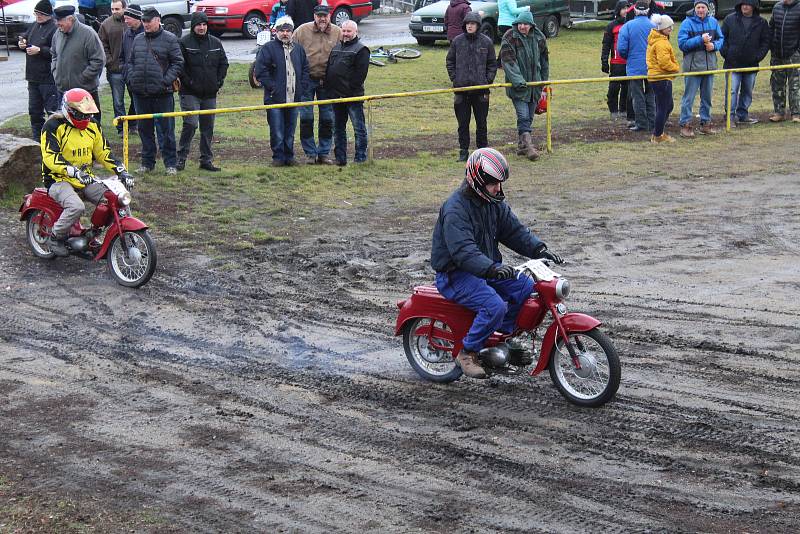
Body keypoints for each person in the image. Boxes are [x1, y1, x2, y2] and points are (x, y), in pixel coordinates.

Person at [429, 148, 563, 379]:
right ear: (478, 181)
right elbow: (463, 252)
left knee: (527, 290)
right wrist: (492, 268)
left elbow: (513, 231)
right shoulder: (455, 209)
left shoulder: (493, 203)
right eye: (493, 183)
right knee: (495, 306)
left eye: (500, 183)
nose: (498, 188)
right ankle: (467, 352)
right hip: (456, 274)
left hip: (485, 268)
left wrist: (539, 248)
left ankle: (503, 338)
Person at [41, 88, 133, 257]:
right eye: (81, 115)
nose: (86, 119)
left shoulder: (93, 126)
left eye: (88, 115)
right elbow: (50, 157)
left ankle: (94, 234)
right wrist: (73, 171)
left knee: (116, 198)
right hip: (58, 179)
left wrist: (121, 171)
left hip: (84, 177)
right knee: (77, 206)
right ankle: (55, 237)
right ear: (69, 111)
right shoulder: (53, 126)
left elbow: (103, 153)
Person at [127, 7, 183, 174]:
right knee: (144, 130)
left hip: (162, 94)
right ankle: (147, 163)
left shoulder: (170, 39)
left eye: (148, 21)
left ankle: (170, 164)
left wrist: (164, 81)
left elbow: (178, 63)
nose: (145, 24)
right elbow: (130, 62)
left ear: (158, 20)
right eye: (143, 21)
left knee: (166, 130)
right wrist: (131, 79)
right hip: (140, 93)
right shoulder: (137, 39)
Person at [254, 16, 311, 167]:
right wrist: (273, 87)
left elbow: (305, 69)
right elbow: (260, 71)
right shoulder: (268, 48)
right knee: (277, 130)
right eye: (282, 31)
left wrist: (302, 86)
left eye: (288, 31)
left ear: (292, 32)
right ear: (276, 32)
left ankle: (289, 156)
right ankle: (278, 157)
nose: (285, 33)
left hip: (294, 98)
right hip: (275, 98)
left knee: (290, 130)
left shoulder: (298, 49)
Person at [176, 11, 229, 172]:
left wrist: (218, 82)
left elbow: (224, 64)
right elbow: (180, 67)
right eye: (198, 24)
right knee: (191, 124)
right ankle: (181, 158)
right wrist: (189, 83)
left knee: (208, 127)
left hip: (210, 93)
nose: (202, 27)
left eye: (204, 24)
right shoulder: (184, 42)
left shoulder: (216, 43)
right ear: (193, 26)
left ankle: (206, 159)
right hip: (189, 93)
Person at [292, 2, 341, 165]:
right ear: (314, 16)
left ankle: (324, 153)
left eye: (325, 16)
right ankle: (310, 153)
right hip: (307, 80)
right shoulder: (301, 31)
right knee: (306, 117)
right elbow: (290, 51)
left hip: (328, 82)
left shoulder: (338, 32)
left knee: (328, 118)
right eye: (319, 16)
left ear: (330, 16)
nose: (322, 19)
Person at [446, 11, 497, 161]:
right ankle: (463, 152)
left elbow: (492, 64)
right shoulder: (457, 41)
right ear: (464, 25)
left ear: (478, 25)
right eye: (468, 23)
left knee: (481, 123)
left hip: (481, 91)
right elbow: (450, 61)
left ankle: (482, 152)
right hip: (461, 91)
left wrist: (487, 80)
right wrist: (455, 79)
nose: (470, 26)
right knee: (463, 124)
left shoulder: (487, 42)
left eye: (473, 24)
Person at [500, 10, 548, 161]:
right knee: (523, 116)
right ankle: (529, 147)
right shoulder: (509, 37)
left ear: (531, 25)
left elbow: (545, 62)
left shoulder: (539, 37)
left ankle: (521, 146)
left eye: (525, 24)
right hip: (518, 87)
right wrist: (518, 81)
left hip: (535, 85)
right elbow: (508, 61)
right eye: (520, 23)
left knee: (530, 117)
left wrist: (543, 83)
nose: (522, 27)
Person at [325, 19, 370, 166]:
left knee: (359, 128)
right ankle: (340, 158)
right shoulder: (336, 48)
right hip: (336, 98)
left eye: (349, 31)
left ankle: (360, 158)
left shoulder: (361, 50)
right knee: (337, 129)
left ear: (355, 32)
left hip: (353, 98)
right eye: (343, 30)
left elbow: (360, 75)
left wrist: (347, 92)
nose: (345, 34)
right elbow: (329, 71)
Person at [51, 5, 106, 122]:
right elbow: (54, 54)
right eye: (56, 20)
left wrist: (82, 78)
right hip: (63, 90)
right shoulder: (58, 33)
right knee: (65, 126)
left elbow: (98, 60)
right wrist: (55, 71)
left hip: (85, 92)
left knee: (90, 125)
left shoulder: (88, 34)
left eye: (60, 20)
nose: (57, 23)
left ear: (70, 19)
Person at [677, 0, 724, 138]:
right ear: (694, 8)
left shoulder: (713, 22)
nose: (700, 10)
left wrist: (714, 46)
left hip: (709, 67)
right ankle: (685, 125)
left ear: (707, 8)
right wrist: (700, 40)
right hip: (693, 68)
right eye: (698, 7)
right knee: (688, 98)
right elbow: (682, 44)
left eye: (703, 7)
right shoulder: (687, 23)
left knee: (707, 98)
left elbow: (721, 39)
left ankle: (706, 124)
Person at [720, 0, 770, 125]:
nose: (745, 6)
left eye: (748, 4)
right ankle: (729, 117)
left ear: (753, 6)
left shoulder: (762, 22)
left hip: (751, 64)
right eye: (743, 4)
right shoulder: (729, 19)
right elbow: (721, 37)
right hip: (732, 63)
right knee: (732, 90)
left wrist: (758, 56)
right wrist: (726, 53)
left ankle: (743, 114)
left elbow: (765, 42)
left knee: (747, 91)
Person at [19, 0, 58, 139]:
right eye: (36, 13)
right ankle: (37, 140)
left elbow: (56, 51)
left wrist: (40, 50)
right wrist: (22, 42)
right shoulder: (34, 25)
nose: (38, 16)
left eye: (41, 14)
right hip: (32, 77)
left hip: (48, 78)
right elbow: (25, 35)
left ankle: (53, 140)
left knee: (52, 112)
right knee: (34, 111)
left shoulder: (55, 28)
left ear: (48, 14)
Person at [618, 1, 655, 133]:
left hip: (634, 67)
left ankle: (641, 124)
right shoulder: (654, 26)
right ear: (648, 11)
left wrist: (629, 57)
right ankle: (652, 123)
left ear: (634, 11)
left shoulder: (627, 26)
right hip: (652, 67)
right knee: (651, 94)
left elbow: (621, 48)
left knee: (637, 95)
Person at [647, 14, 679, 143]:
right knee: (663, 107)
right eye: (669, 27)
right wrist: (676, 67)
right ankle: (658, 135)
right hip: (661, 78)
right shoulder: (661, 43)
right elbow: (664, 63)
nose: (671, 29)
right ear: (663, 28)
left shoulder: (658, 40)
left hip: (659, 77)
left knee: (667, 106)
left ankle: (658, 132)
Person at [98, 0, 129, 134]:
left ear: (124, 8)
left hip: (132, 69)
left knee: (137, 98)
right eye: (112, 9)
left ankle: (133, 123)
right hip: (115, 70)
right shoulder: (106, 24)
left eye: (117, 9)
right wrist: (110, 61)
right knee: (118, 101)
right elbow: (101, 45)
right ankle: (121, 128)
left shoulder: (131, 22)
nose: (115, 12)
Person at [767, 0, 800, 122]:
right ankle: (779, 112)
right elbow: (771, 28)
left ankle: (796, 114)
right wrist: (771, 46)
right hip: (777, 55)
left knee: (795, 86)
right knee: (777, 85)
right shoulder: (777, 7)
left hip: (794, 54)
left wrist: (798, 51)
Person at [601, 1, 633, 122]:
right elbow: (606, 45)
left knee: (627, 88)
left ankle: (623, 110)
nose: (625, 11)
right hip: (616, 63)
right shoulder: (611, 26)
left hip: (629, 62)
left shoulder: (631, 24)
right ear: (618, 10)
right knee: (614, 88)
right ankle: (613, 111)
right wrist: (604, 61)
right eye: (623, 8)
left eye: (627, 8)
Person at [119, 3, 143, 134]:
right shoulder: (126, 34)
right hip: (130, 77)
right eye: (125, 18)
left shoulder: (146, 33)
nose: (126, 21)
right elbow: (121, 56)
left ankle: (131, 124)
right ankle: (132, 125)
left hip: (144, 77)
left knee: (138, 102)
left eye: (128, 18)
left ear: (137, 18)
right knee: (135, 100)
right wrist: (125, 72)